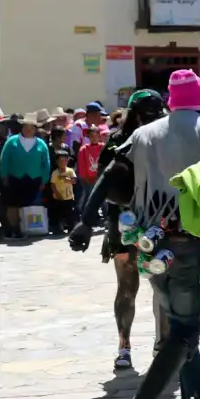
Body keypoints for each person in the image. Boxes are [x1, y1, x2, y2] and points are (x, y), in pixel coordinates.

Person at [69, 72, 200, 399]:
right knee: (187, 327)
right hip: (190, 240)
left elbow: (109, 174)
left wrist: (84, 222)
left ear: (171, 100)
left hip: (147, 242)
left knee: (177, 319)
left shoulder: (142, 135)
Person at [70, 90, 170, 370]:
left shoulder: (164, 140)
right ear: (136, 114)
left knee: (161, 285)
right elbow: (105, 183)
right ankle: (124, 345)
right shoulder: (117, 141)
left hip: (158, 222)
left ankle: (162, 344)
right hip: (123, 223)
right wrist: (87, 222)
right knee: (128, 285)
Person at [0, 113, 51, 238]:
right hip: (14, 179)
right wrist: (4, 176)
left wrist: (44, 180)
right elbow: (4, 160)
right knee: (13, 206)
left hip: (34, 180)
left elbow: (46, 163)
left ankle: (30, 229)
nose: (29, 129)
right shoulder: (12, 142)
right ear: (22, 127)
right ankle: (15, 230)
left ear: (35, 128)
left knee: (31, 205)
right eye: (26, 126)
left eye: (32, 127)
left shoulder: (41, 144)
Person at [76, 126, 104, 216]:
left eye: (96, 135)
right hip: (88, 179)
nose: (94, 138)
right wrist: (86, 178)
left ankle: (106, 216)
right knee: (89, 197)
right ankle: (85, 215)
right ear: (88, 137)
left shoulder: (103, 147)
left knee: (103, 198)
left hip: (101, 178)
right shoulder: (83, 149)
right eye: (92, 136)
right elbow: (81, 165)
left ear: (99, 136)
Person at [49, 149, 77, 233]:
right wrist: (56, 193)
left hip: (69, 197)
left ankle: (71, 228)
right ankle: (58, 228)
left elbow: (74, 181)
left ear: (67, 161)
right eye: (60, 161)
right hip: (58, 197)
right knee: (58, 214)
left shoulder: (70, 171)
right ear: (57, 162)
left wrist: (69, 180)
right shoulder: (55, 173)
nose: (62, 163)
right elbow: (52, 184)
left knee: (69, 214)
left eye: (64, 160)